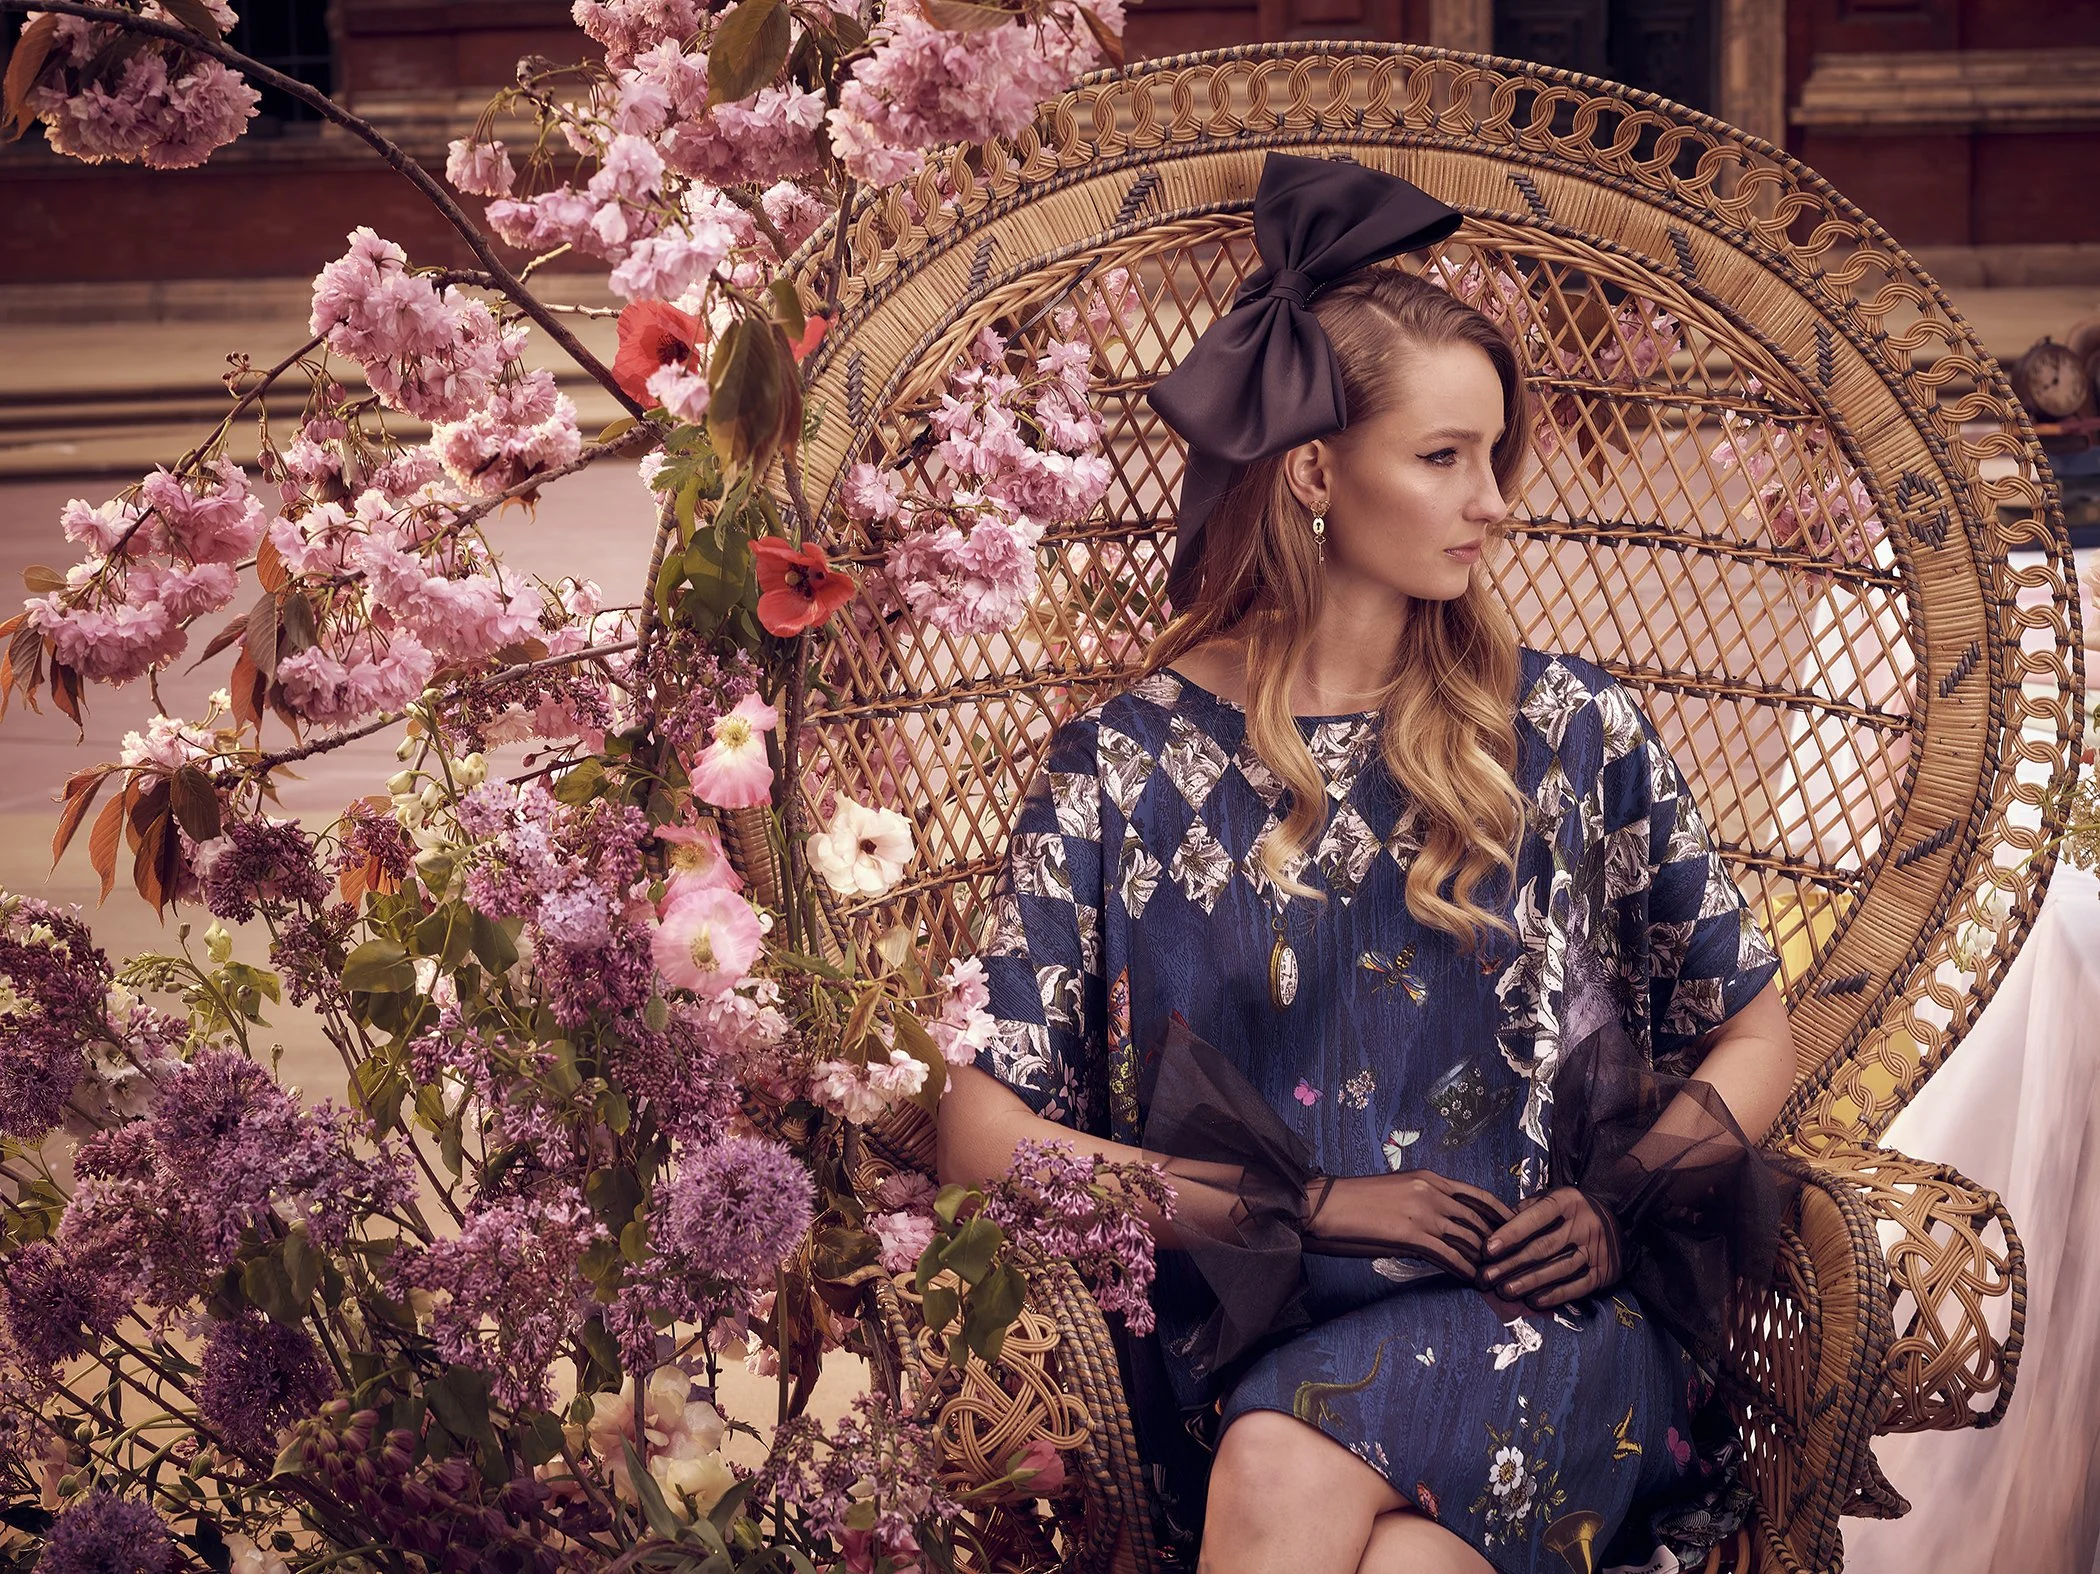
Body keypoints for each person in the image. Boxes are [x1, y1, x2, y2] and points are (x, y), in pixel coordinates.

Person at [936, 154, 1799, 1574]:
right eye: (1444, 457)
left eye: (1494, 457)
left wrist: (1619, 1198)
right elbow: (978, 1129)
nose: (1493, 502)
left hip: (1545, 1337)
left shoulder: (1568, 730)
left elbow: (1758, 1031)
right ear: (1315, 472)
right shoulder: (1126, 763)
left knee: (1285, 1460)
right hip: (1238, 1353)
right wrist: (1308, 1208)